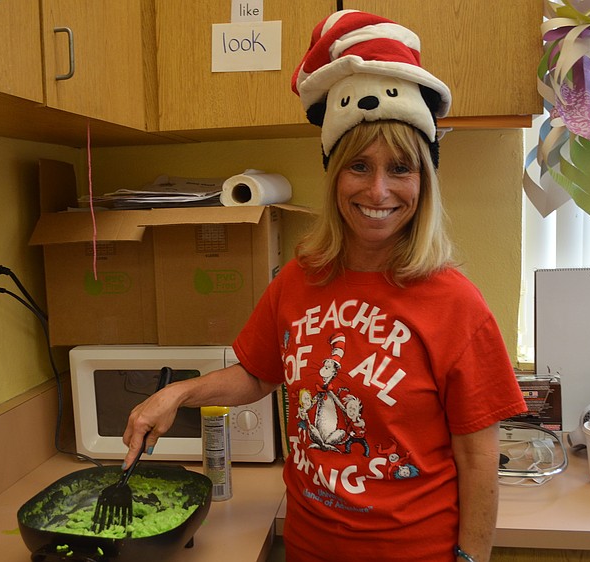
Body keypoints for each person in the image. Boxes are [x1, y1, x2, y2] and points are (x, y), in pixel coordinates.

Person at [122, 10, 527, 562]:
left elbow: (479, 460)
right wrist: (177, 394)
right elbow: (257, 372)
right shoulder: (300, 279)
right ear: (334, 174)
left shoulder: (456, 303)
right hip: (310, 548)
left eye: (401, 169)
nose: (379, 190)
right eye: (359, 165)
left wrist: (471, 559)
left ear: (424, 182)